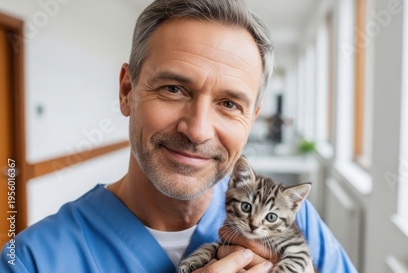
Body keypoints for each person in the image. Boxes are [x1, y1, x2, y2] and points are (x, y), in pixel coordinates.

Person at [1, 0, 358, 272]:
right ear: (127, 91)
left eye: (230, 104)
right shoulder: (31, 260)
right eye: (174, 89)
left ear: (251, 120)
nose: (198, 129)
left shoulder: (299, 221)